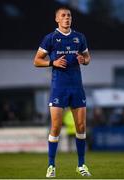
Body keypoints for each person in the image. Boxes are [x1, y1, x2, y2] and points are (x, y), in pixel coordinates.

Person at [34, 7, 91, 178]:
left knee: (81, 126)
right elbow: (36, 61)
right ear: (57, 19)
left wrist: (84, 60)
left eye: (69, 16)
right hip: (59, 86)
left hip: (76, 86)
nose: (67, 18)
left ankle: (81, 165)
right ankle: (51, 166)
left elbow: (88, 58)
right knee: (56, 127)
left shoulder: (79, 37)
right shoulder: (50, 38)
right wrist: (53, 62)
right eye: (63, 16)